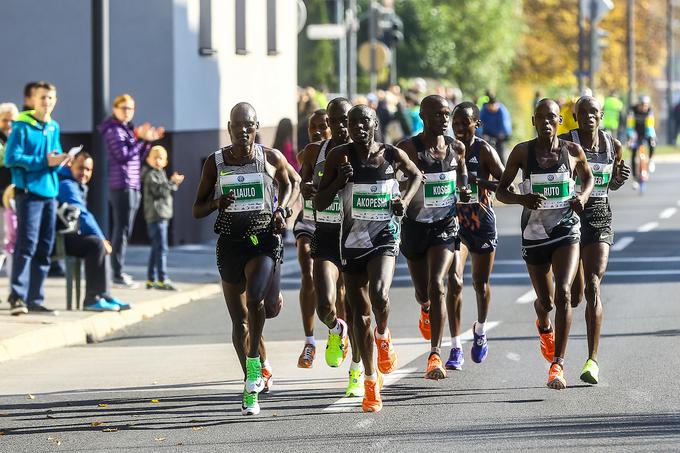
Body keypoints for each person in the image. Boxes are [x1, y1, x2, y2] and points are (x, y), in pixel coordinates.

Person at [315, 105, 422, 412]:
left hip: (385, 237)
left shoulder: (390, 155)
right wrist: (338, 182)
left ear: (375, 123)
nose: (358, 128)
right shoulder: (339, 157)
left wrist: (403, 199)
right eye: (352, 123)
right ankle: (371, 382)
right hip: (351, 242)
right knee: (359, 313)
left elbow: (417, 176)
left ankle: (384, 333)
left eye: (364, 122)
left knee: (379, 293)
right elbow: (321, 201)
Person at [192, 102, 293, 416]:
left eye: (249, 125)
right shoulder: (215, 162)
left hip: (263, 240)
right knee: (240, 321)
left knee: (257, 301)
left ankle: (251, 381)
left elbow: (291, 183)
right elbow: (197, 209)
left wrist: (282, 209)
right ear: (230, 127)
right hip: (230, 244)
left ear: (256, 126)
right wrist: (216, 202)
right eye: (238, 126)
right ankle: (257, 365)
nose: (244, 131)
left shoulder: (270, 157)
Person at [496, 99, 593, 390]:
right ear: (534, 121)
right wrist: (521, 199)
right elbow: (501, 191)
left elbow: (587, 178)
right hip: (535, 234)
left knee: (565, 294)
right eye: (541, 118)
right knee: (547, 301)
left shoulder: (573, 151)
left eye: (552, 118)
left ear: (559, 122)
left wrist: (583, 196)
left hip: (566, 230)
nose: (547, 123)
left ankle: (558, 365)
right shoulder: (522, 152)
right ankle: (543, 323)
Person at [396, 95, 470, 380]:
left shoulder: (456, 147)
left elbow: (461, 175)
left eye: (446, 114)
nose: (444, 119)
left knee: (438, 282)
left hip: (445, 225)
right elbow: (393, 180)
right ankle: (425, 308)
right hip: (415, 226)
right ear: (423, 116)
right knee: (423, 293)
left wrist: (462, 189)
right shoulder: (409, 149)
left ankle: (435, 354)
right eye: (437, 114)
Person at [562, 96, 630, 384]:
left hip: (599, 216)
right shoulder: (565, 142)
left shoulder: (613, 145)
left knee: (593, 285)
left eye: (594, 112)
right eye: (584, 113)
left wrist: (619, 178)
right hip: (568, 216)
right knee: (574, 296)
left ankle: (592, 361)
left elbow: (612, 183)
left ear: (601, 116)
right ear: (576, 117)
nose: (589, 116)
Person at [300, 98, 364, 396]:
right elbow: (303, 183)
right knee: (325, 303)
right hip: (325, 233)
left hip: (356, 236)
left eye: (344, 121)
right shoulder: (316, 151)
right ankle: (336, 331)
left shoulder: (365, 152)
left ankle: (356, 370)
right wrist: (307, 187)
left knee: (355, 306)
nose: (339, 127)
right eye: (335, 121)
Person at [4, 81, 72, 316]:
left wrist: (62, 159)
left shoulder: (53, 126)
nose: (47, 102)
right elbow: (11, 158)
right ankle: (17, 296)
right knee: (27, 245)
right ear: (33, 100)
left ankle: (35, 298)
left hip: (49, 192)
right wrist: (44, 161)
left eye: (51, 98)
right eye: (43, 98)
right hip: (29, 193)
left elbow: (53, 155)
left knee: (45, 247)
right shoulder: (22, 125)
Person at [447, 102, 506, 371]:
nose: (459, 128)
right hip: (454, 224)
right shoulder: (445, 148)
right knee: (454, 281)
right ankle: (455, 346)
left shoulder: (484, 150)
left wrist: (478, 181)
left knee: (480, 284)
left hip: (481, 223)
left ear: (476, 124)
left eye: (464, 123)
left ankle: (480, 330)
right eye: (455, 123)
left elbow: (506, 184)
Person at [99, 93, 165, 288]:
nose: (127, 112)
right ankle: (116, 273)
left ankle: (118, 271)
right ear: (115, 109)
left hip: (132, 184)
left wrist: (146, 141)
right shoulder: (113, 130)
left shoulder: (125, 130)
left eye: (130, 108)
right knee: (122, 230)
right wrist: (140, 139)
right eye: (124, 108)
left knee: (124, 230)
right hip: (121, 185)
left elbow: (139, 156)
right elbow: (123, 156)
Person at [57, 151, 131, 311]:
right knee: (97, 244)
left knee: (97, 244)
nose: (84, 173)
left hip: (71, 235)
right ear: (70, 164)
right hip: (59, 239)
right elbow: (83, 215)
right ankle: (92, 299)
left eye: (88, 170)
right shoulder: (66, 185)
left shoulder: (77, 185)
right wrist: (102, 238)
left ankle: (104, 295)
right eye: (80, 168)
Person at [291, 109, 331, 368]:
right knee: (308, 271)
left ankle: (338, 332)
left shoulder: (345, 151)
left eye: (323, 126)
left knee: (335, 287)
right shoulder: (307, 153)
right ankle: (309, 341)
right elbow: (300, 184)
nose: (317, 131)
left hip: (335, 225)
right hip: (309, 221)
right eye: (312, 127)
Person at [142, 145, 184, 291]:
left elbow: (164, 188)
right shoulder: (151, 175)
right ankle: (162, 278)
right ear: (148, 159)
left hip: (161, 215)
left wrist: (172, 182)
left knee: (156, 248)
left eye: (161, 158)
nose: (158, 161)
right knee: (161, 248)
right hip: (156, 215)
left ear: (165, 161)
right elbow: (159, 190)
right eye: (155, 158)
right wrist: (172, 183)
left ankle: (151, 279)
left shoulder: (160, 173)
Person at [0, 102, 19, 271]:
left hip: (16, 195)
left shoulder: (19, 136)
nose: (8, 124)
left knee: (12, 239)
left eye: (12, 120)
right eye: (4, 120)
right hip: (2, 196)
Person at [627, 95, 657, 176]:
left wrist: (650, 137)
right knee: (633, 152)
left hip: (646, 130)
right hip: (634, 131)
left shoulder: (649, 112)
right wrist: (631, 136)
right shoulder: (632, 111)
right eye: (642, 105)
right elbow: (630, 126)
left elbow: (650, 127)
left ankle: (651, 160)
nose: (644, 107)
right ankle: (634, 176)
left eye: (646, 105)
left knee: (652, 142)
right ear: (639, 104)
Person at [479, 92, 512, 163]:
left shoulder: (501, 110)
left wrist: (502, 133)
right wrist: (481, 134)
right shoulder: (484, 110)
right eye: (490, 106)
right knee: (484, 146)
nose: (492, 109)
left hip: (500, 133)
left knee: (500, 149)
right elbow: (479, 122)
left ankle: (502, 167)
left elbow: (505, 124)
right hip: (488, 132)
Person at [2, 185, 17, 281]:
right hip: (13, 246)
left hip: (15, 245)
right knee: (13, 271)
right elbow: (13, 232)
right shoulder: (10, 213)